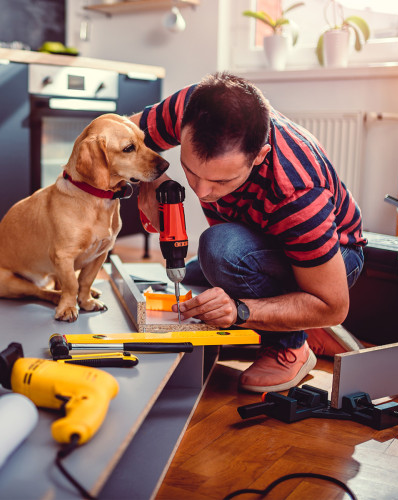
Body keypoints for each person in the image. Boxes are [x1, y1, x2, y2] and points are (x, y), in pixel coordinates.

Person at [130, 72, 366, 393]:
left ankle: (292, 344)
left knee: (220, 252)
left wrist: (240, 311)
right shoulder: (196, 107)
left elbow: (334, 305)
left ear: (260, 156)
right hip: (258, 241)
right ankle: (294, 317)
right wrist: (149, 178)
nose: (200, 191)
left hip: (335, 259)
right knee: (195, 287)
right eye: (190, 170)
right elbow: (117, 133)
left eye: (221, 182)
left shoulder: (298, 191)